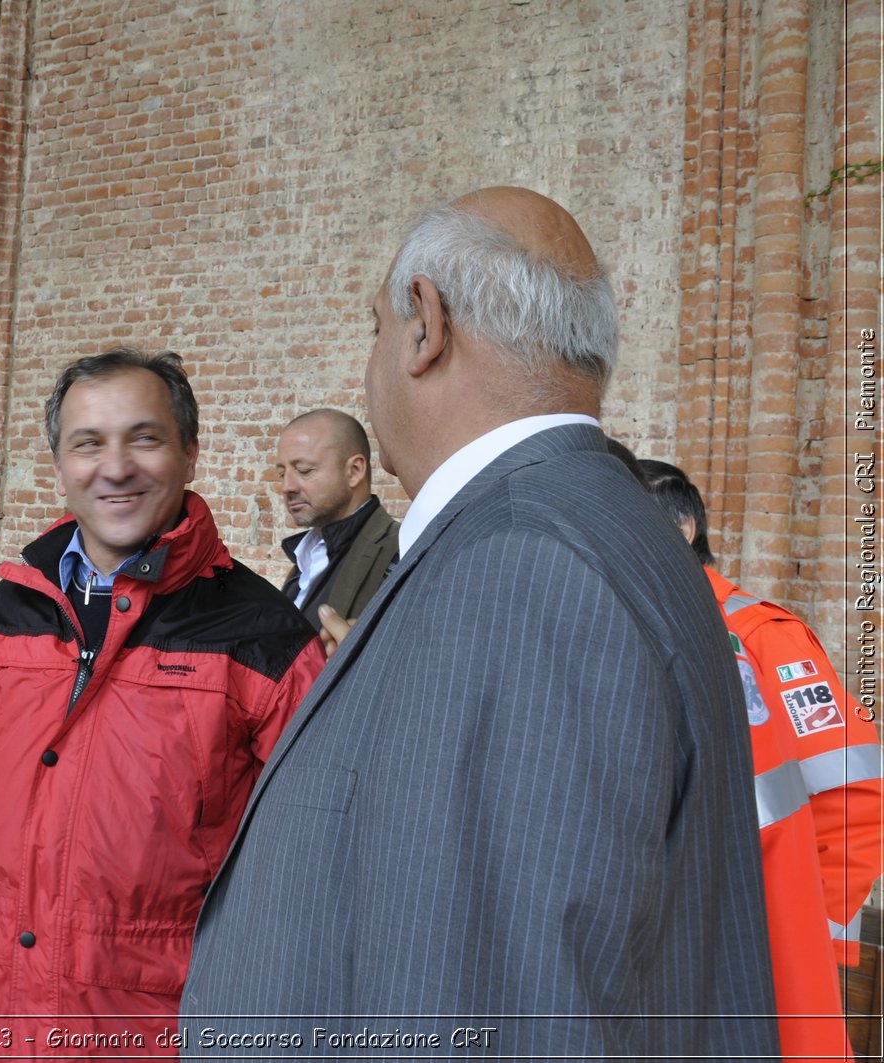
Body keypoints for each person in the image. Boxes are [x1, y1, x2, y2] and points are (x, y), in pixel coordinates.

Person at [179, 188, 778, 1058]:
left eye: (375, 328)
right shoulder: (592, 523)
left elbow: (486, 1001)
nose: (375, 357)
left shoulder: (522, 564)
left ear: (426, 326)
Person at [0, 348, 323, 1054]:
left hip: (155, 1020)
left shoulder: (262, 638)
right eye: (88, 443)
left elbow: (316, 844)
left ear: (191, 452)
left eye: (144, 437)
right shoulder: (2, 614)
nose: (115, 467)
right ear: (60, 463)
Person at [638, 457, 882, 1062]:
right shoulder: (662, 626)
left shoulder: (763, 635)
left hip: (767, 959)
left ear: (682, 531)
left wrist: (791, 929)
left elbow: (857, 791)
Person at [274, 409, 398, 632]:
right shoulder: (308, 554)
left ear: (354, 471)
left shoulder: (396, 557)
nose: (287, 486)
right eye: (282, 473)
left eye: (304, 470)